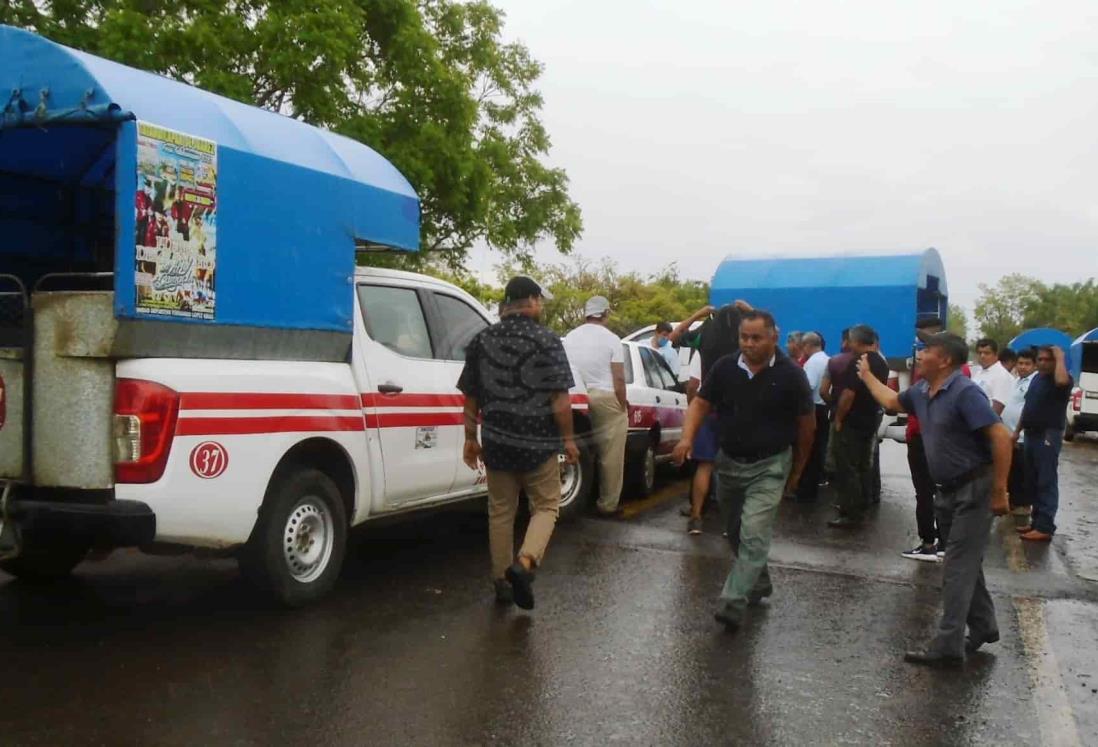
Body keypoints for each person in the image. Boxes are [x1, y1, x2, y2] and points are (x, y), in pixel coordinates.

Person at [857, 331, 1012, 667]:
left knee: (956, 565)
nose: (920, 354)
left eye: (927, 350)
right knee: (966, 563)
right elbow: (891, 402)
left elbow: (1001, 437)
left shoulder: (964, 392)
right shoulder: (924, 391)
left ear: (944, 359)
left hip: (975, 489)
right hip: (948, 490)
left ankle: (948, 645)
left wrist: (1000, 490)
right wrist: (868, 376)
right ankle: (983, 627)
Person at [672, 310, 815, 631]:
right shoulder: (725, 367)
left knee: (753, 533)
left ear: (773, 338)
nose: (748, 344)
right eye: (744, 338)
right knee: (736, 532)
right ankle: (760, 582)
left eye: (756, 338)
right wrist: (686, 438)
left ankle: (732, 601)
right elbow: (700, 403)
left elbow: (807, 427)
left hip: (770, 464)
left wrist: (799, 470)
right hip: (730, 463)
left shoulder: (791, 375)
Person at [458, 276, 579, 610]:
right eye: (539, 300)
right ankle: (524, 564)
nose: (540, 306)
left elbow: (471, 398)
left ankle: (501, 582)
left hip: (496, 441)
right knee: (546, 506)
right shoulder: (547, 340)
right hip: (537, 441)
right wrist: (568, 439)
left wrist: (469, 438)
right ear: (531, 301)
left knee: (500, 512)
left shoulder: (481, 340)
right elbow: (559, 399)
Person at [681, 302, 750, 534]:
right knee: (735, 467)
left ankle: (697, 517)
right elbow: (772, 335)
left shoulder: (703, 347)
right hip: (737, 412)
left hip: (708, 410)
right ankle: (731, 522)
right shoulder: (744, 350)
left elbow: (692, 386)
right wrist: (749, 310)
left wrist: (697, 314)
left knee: (705, 465)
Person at [563, 296, 629, 516]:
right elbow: (618, 379)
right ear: (605, 313)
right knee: (610, 455)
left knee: (578, 447)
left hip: (574, 396)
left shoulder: (570, 338)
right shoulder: (612, 339)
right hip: (605, 396)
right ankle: (607, 504)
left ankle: (577, 493)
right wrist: (622, 404)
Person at [827, 325, 889, 528]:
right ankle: (862, 503)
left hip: (852, 421)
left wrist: (838, 418)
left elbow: (848, 394)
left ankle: (850, 512)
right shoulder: (880, 360)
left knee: (847, 466)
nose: (847, 344)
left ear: (856, 341)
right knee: (863, 465)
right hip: (869, 418)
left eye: (849, 340)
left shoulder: (860, 361)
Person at [1016, 345, 1074, 542]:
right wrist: (1017, 431)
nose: (1041, 363)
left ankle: (1045, 526)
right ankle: (1036, 522)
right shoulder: (1037, 379)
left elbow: (1061, 380)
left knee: (1046, 480)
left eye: (1047, 360)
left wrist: (1060, 356)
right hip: (1031, 434)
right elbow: (1028, 406)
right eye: (1039, 359)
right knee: (1032, 479)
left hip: (1048, 434)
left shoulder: (1061, 379)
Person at [1002, 348, 1037, 518]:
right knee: (1012, 470)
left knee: (1023, 471)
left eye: (1027, 364)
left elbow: (1029, 409)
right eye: (1020, 363)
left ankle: (1023, 504)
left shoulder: (1034, 382)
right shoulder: (1016, 381)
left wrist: (1017, 431)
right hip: (1008, 435)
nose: (1023, 367)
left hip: (1022, 436)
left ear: (1034, 365)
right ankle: (1014, 501)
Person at [796, 332, 830, 502]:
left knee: (809, 450)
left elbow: (807, 387)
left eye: (803, 347)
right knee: (818, 450)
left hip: (813, 409)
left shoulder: (812, 362)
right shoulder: (826, 359)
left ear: (808, 345)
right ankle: (812, 487)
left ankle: (805, 491)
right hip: (823, 408)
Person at [973, 338, 1013, 415]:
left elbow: (998, 406)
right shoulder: (979, 372)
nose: (982, 356)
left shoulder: (1001, 375)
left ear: (996, 355)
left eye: (987, 353)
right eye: (979, 353)